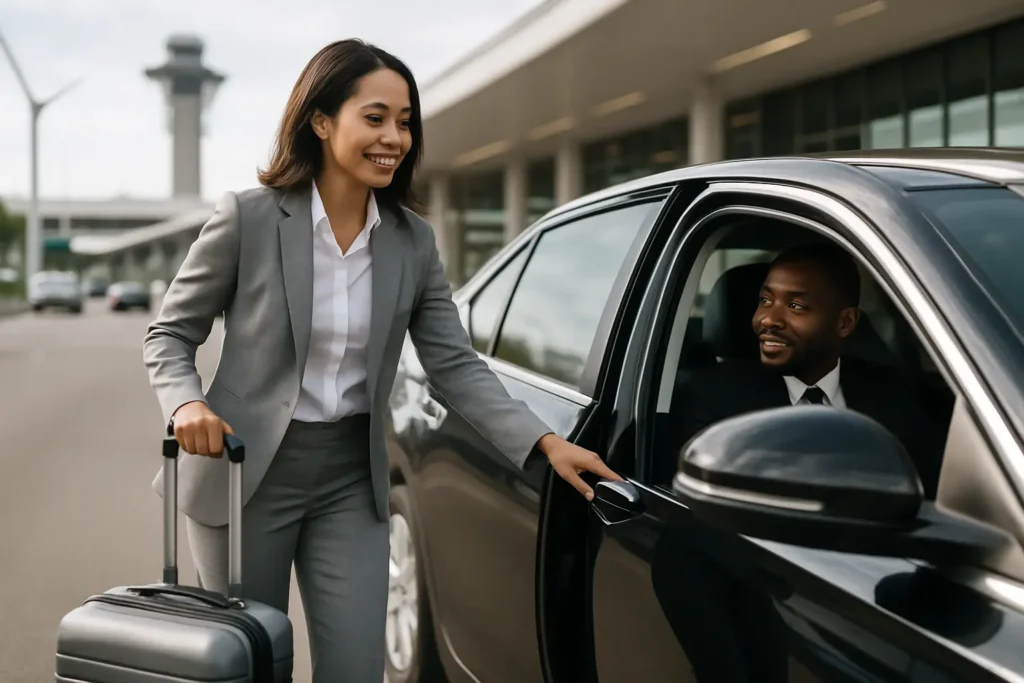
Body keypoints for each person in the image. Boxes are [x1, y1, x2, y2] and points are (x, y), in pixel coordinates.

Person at [142, 38, 620, 683]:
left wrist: (543, 440)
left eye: (404, 121)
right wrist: (187, 403)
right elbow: (169, 334)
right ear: (320, 121)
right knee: (250, 667)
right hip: (243, 476)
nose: (394, 136)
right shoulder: (248, 219)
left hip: (350, 480)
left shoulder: (412, 241)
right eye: (375, 118)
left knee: (356, 669)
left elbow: (454, 364)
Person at [668, 242, 941, 495]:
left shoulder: (893, 396)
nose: (768, 319)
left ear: (845, 323)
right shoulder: (712, 400)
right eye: (765, 301)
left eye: (795, 306)